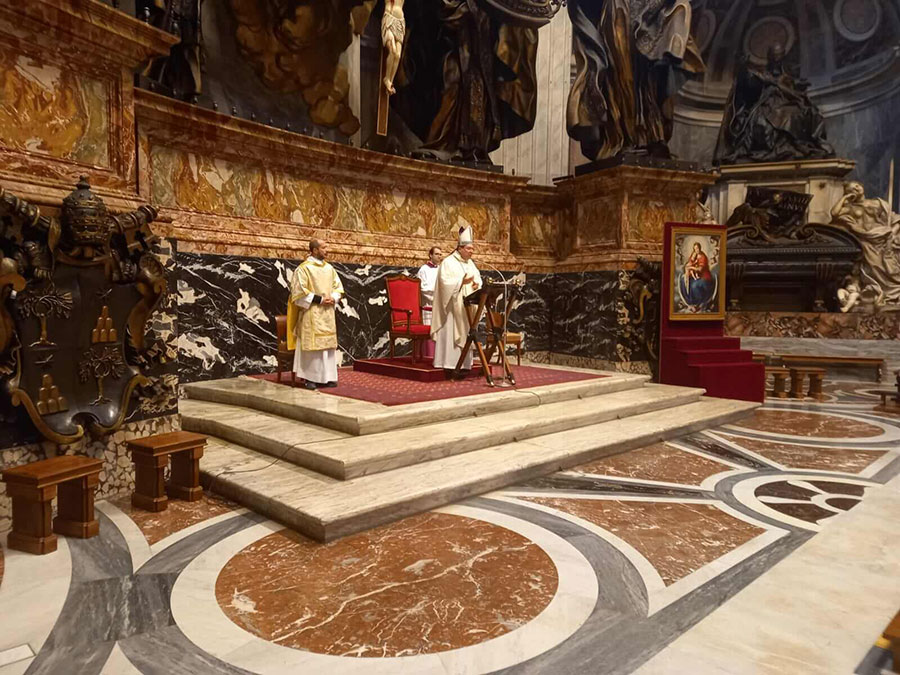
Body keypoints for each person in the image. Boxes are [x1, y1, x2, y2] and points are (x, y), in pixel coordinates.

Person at [287, 239, 345, 390]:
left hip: (327, 314)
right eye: (324, 247)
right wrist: (319, 299)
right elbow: (298, 293)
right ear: (314, 250)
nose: (328, 250)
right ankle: (309, 378)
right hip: (311, 313)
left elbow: (338, 287)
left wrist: (334, 297)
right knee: (312, 347)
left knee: (327, 347)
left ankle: (328, 377)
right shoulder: (303, 269)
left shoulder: (330, 269)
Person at [431, 227, 482, 371]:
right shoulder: (448, 262)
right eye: (469, 248)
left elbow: (477, 278)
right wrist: (461, 282)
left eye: (473, 249)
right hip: (452, 308)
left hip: (467, 308)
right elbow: (444, 282)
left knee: (466, 331)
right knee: (452, 334)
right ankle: (448, 363)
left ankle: (464, 364)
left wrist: (477, 284)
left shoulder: (470, 263)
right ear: (460, 248)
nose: (471, 251)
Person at [416, 246, 442, 359]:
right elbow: (423, 289)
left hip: (441, 306)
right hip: (429, 305)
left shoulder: (442, 269)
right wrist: (437, 295)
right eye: (437, 254)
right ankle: (428, 356)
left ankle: (440, 357)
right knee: (430, 331)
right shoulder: (423, 270)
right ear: (430, 255)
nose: (439, 256)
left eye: (440, 254)